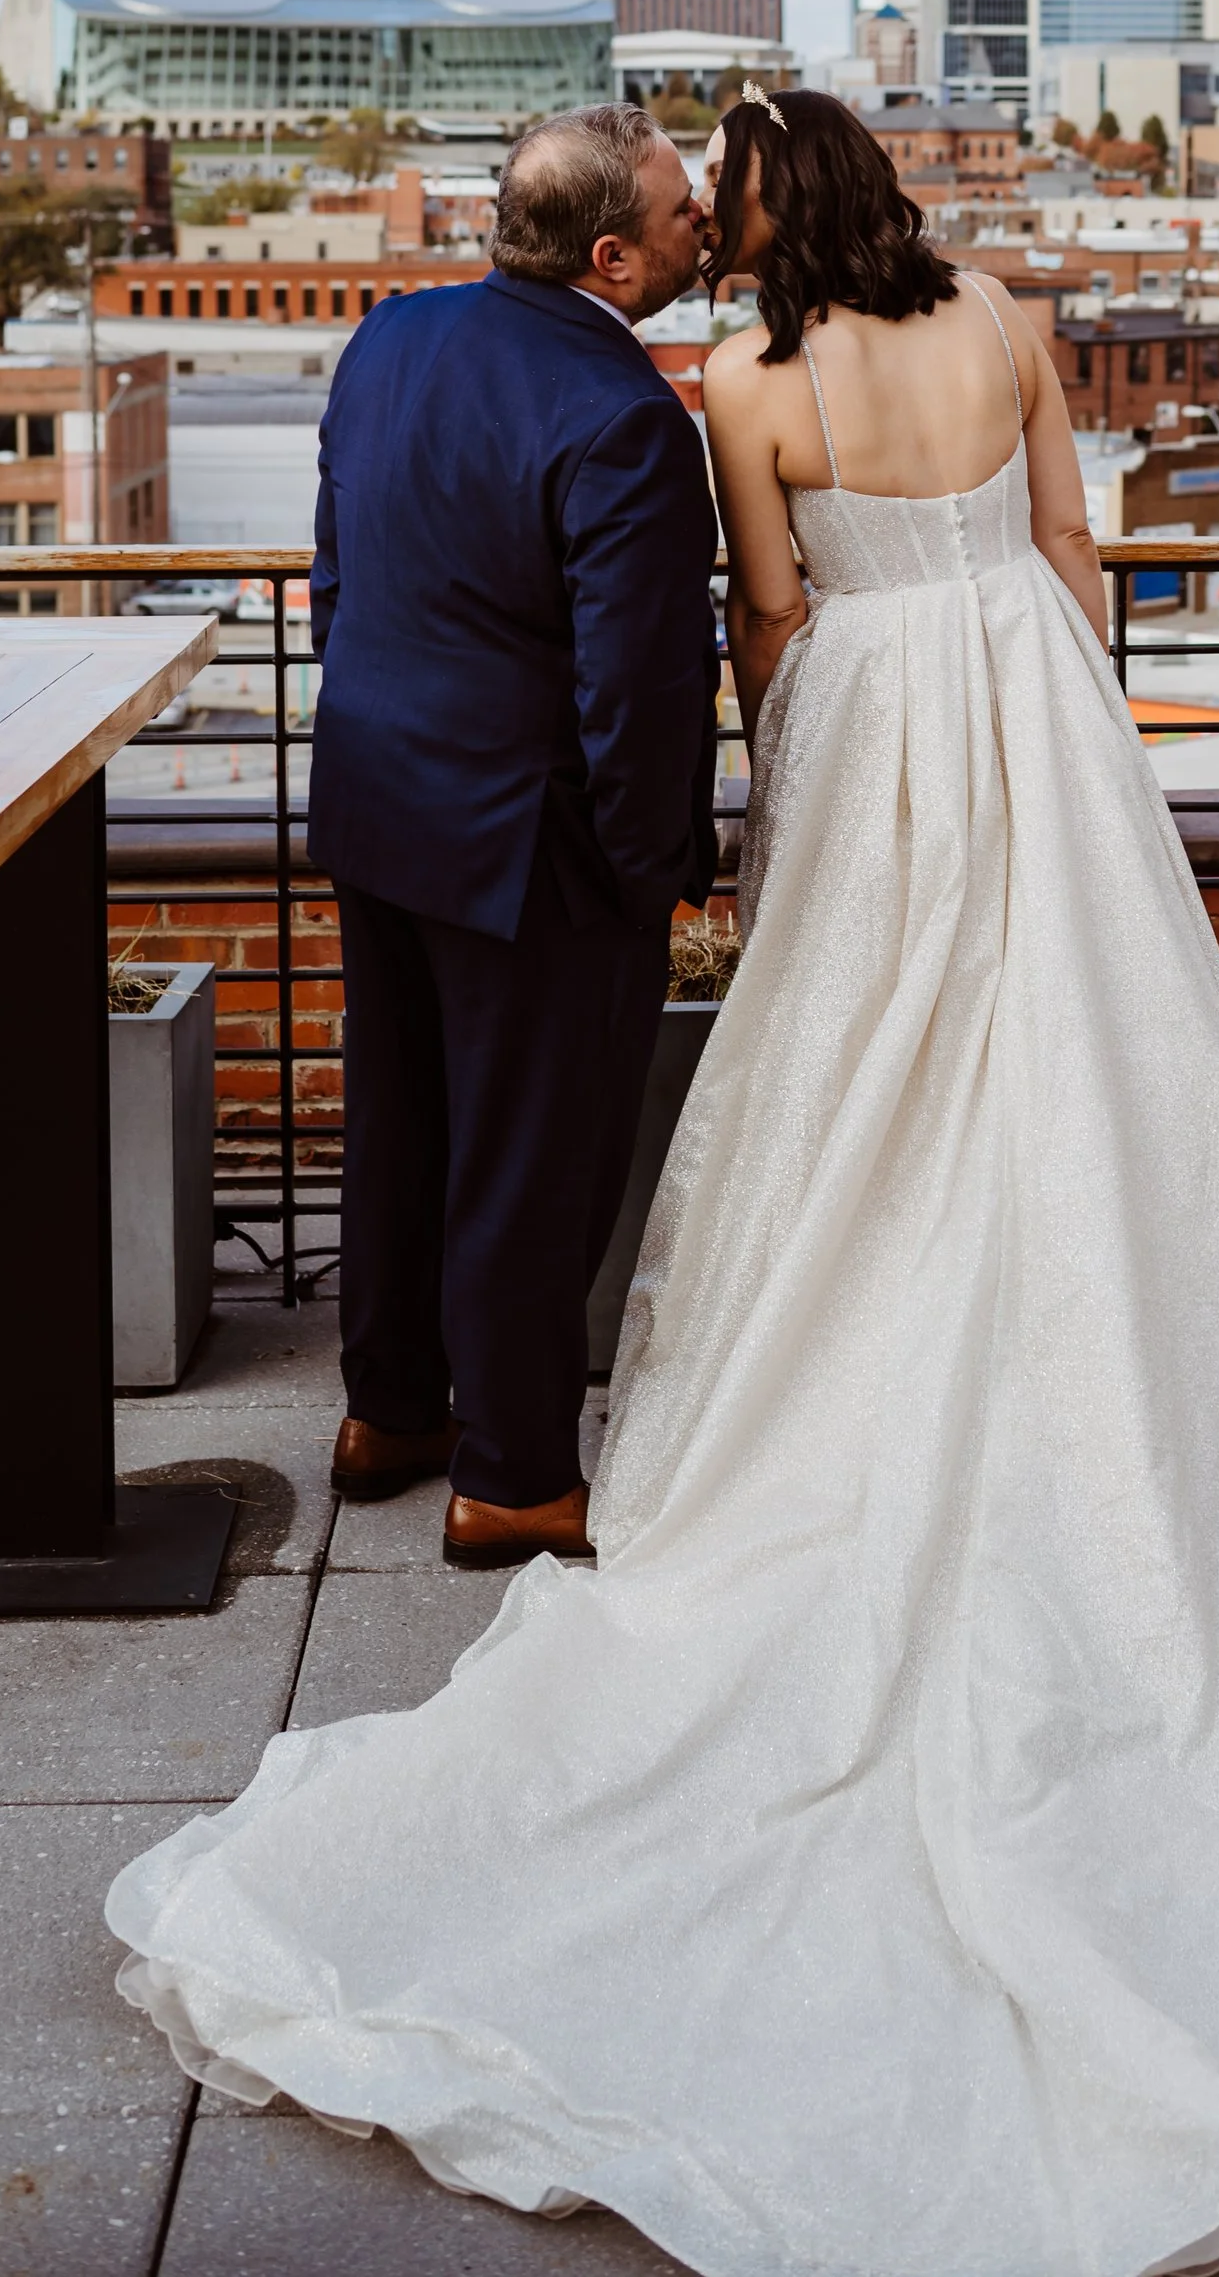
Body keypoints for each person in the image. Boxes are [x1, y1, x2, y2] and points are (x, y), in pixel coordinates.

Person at [111, 86, 1219, 2271]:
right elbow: (1072, 558)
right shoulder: (1004, 313)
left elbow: (769, 626)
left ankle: (479, 1409)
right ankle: (985, 1396)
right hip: (1034, 734)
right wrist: (1044, 739)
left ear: (751, 222)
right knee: (1080, 1078)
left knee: (787, 1094)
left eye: (718, 198)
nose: (697, 231)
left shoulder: (690, 369)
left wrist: (787, 812)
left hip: (748, 747)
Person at [307, 102, 718, 1568]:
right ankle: (518, 1472)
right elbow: (643, 688)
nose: (705, 225)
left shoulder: (386, 341)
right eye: (683, 212)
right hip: (538, 845)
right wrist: (644, 868)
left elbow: (338, 580)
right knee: (533, 1164)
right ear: (611, 257)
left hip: (377, 803)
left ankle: (389, 1411)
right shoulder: (629, 423)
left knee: (400, 1127)